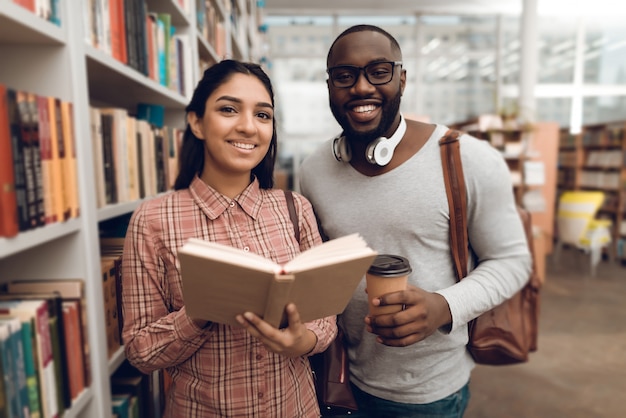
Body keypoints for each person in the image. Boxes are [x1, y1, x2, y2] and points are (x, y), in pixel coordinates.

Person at [299, 25, 532, 417]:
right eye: (344, 76)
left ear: (402, 79)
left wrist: (443, 306)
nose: (361, 87)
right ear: (330, 86)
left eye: (379, 71)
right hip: (339, 378)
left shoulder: (467, 159)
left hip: (428, 394)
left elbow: (513, 261)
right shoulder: (314, 170)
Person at [121, 59, 336, 418]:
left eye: (263, 115)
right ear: (197, 122)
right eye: (228, 109)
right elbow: (141, 351)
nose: (248, 127)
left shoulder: (295, 208)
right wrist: (200, 313)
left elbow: (325, 317)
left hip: (296, 408)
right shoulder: (153, 219)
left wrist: (303, 341)